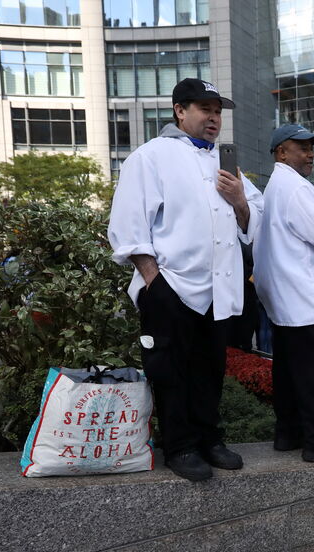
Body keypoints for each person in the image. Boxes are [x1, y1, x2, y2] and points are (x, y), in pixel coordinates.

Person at [107, 78, 264, 482]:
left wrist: (240, 200)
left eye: (218, 111)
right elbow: (128, 225)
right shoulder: (151, 156)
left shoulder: (226, 165)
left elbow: (255, 221)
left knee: (210, 368)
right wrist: (153, 281)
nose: (214, 118)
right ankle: (179, 445)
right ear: (180, 111)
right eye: (204, 109)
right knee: (170, 370)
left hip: (218, 289)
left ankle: (209, 438)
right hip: (170, 286)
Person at [253, 123, 314, 462]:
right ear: (281, 152)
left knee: (289, 376)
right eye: (302, 147)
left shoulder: (275, 187)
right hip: (309, 302)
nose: (310, 154)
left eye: (311, 148)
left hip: (287, 303)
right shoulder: (296, 188)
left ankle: (288, 435)